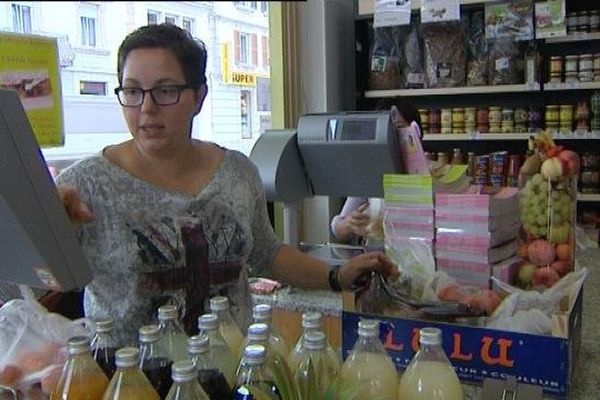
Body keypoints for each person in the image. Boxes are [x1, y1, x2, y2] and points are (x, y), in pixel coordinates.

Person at [54, 23, 398, 346]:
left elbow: (267, 253)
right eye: (132, 91)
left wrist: (337, 276)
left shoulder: (236, 172)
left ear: (199, 96)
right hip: (130, 382)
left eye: (165, 90)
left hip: (231, 368)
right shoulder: (84, 186)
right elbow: (29, 284)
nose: (147, 107)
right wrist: (42, 229)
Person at [330, 97, 421, 245]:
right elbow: (337, 230)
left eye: (398, 130)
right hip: (378, 258)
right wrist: (352, 223)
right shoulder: (370, 174)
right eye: (385, 132)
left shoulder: (435, 172)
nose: (391, 139)